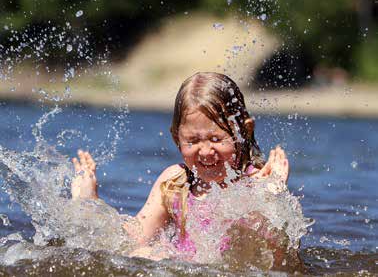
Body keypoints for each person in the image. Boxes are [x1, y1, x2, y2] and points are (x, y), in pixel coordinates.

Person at [71, 72, 290, 262]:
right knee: (143, 253)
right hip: (181, 268)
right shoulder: (176, 183)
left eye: (215, 139)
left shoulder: (256, 183)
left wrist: (272, 198)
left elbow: (277, 261)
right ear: (177, 138)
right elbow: (130, 240)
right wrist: (90, 203)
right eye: (193, 141)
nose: (205, 152)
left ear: (244, 132)